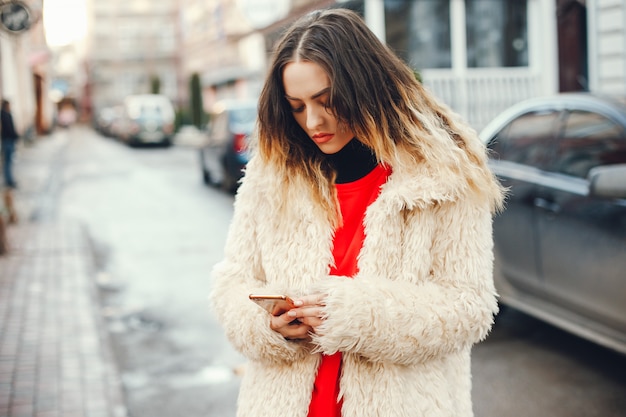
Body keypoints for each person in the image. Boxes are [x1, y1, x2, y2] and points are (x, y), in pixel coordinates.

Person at [210, 8, 505, 417]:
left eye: (326, 100)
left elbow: (468, 307)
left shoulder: (441, 174)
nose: (313, 121)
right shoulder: (273, 174)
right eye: (296, 106)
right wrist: (268, 324)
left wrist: (352, 314)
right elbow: (233, 282)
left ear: (363, 86)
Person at [1, 99, 19, 188]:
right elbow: (8, 129)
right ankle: (8, 180)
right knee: (8, 161)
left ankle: (9, 179)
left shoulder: (7, 114)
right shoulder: (4, 115)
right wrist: (14, 136)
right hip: (7, 140)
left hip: (9, 140)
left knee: (9, 161)